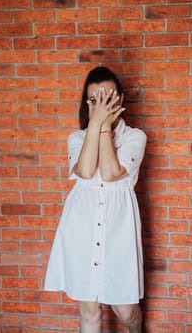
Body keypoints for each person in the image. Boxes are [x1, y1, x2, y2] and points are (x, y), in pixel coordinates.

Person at [44, 66, 147, 333]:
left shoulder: (135, 137)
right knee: (89, 312)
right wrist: (97, 124)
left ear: (121, 100)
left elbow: (113, 172)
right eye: (94, 101)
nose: (101, 106)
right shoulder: (76, 138)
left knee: (125, 311)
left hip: (118, 230)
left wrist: (101, 126)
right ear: (86, 104)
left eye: (108, 99)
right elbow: (86, 170)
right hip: (81, 227)